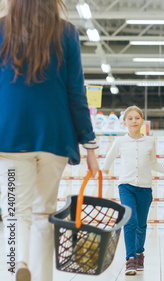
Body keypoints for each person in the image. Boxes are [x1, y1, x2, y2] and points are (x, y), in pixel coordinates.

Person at [0, 1, 99, 280]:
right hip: (54, 136)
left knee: (15, 211)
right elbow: (76, 92)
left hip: (9, 136)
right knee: (44, 212)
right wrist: (89, 145)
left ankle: (18, 263)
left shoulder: (1, 28)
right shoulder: (65, 31)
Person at [102, 106, 164, 276]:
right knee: (130, 221)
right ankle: (130, 259)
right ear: (125, 122)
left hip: (145, 188)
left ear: (142, 121)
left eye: (137, 118)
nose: (134, 121)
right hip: (126, 186)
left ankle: (139, 253)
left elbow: (153, 164)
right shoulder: (120, 141)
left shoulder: (150, 141)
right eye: (130, 118)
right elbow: (108, 158)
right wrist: (103, 169)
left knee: (141, 225)